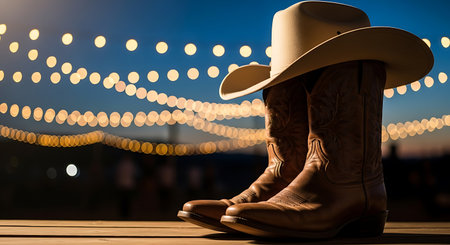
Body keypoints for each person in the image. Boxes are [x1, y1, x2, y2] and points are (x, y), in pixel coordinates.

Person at [178, 1, 433, 238]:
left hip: (339, 190)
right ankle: (359, 200)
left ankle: (348, 198)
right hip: (350, 193)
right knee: (270, 187)